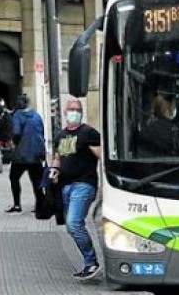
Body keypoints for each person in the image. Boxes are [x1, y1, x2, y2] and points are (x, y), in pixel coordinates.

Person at [48, 98, 102, 281]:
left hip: (84, 184)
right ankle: (90, 262)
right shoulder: (60, 136)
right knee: (72, 228)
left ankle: (92, 262)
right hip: (65, 186)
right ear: (65, 112)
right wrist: (54, 171)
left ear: (81, 112)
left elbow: (102, 155)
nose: (74, 112)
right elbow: (57, 157)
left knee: (73, 223)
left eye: (77, 109)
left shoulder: (89, 133)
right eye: (71, 109)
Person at [6, 94, 45, 214]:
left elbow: (16, 133)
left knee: (14, 177)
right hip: (36, 154)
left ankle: (17, 204)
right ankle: (40, 205)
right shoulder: (37, 116)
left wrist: (16, 143)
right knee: (37, 181)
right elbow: (42, 132)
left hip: (21, 155)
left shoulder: (17, 116)